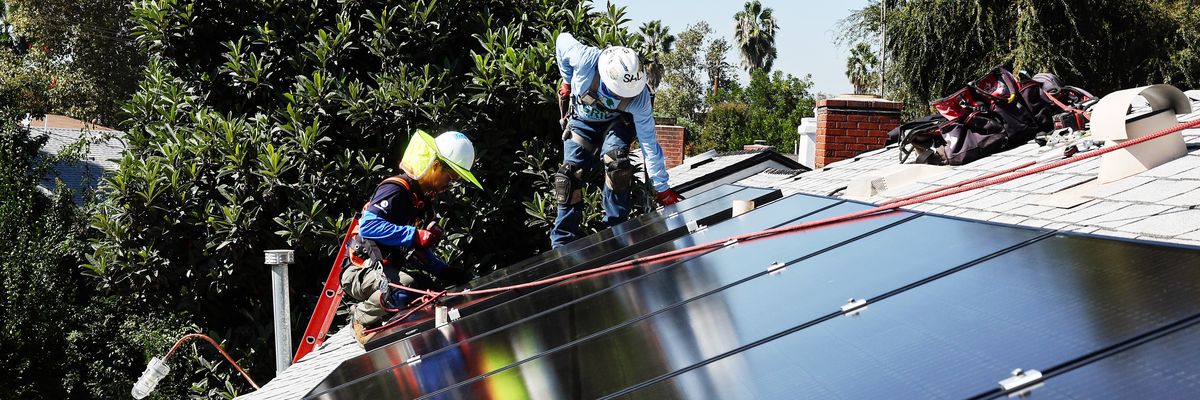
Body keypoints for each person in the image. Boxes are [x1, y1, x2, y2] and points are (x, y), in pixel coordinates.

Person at [341, 130, 482, 345]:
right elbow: (368, 226)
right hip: (358, 270)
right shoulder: (395, 189)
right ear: (435, 166)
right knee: (404, 289)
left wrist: (443, 270)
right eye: (450, 178)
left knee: (427, 291)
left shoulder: (423, 204)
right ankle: (360, 318)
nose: (450, 185)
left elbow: (418, 251)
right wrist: (414, 234)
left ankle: (388, 318)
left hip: (387, 269)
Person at [551, 32, 684, 248]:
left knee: (617, 166)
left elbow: (649, 144)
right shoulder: (585, 59)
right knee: (568, 178)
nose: (623, 98)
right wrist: (567, 81)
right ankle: (563, 245)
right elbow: (561, 39)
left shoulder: (639, 97)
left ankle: (616, 233)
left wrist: (662, 189)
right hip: (581, 123)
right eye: (618, 93)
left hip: (617, 124)